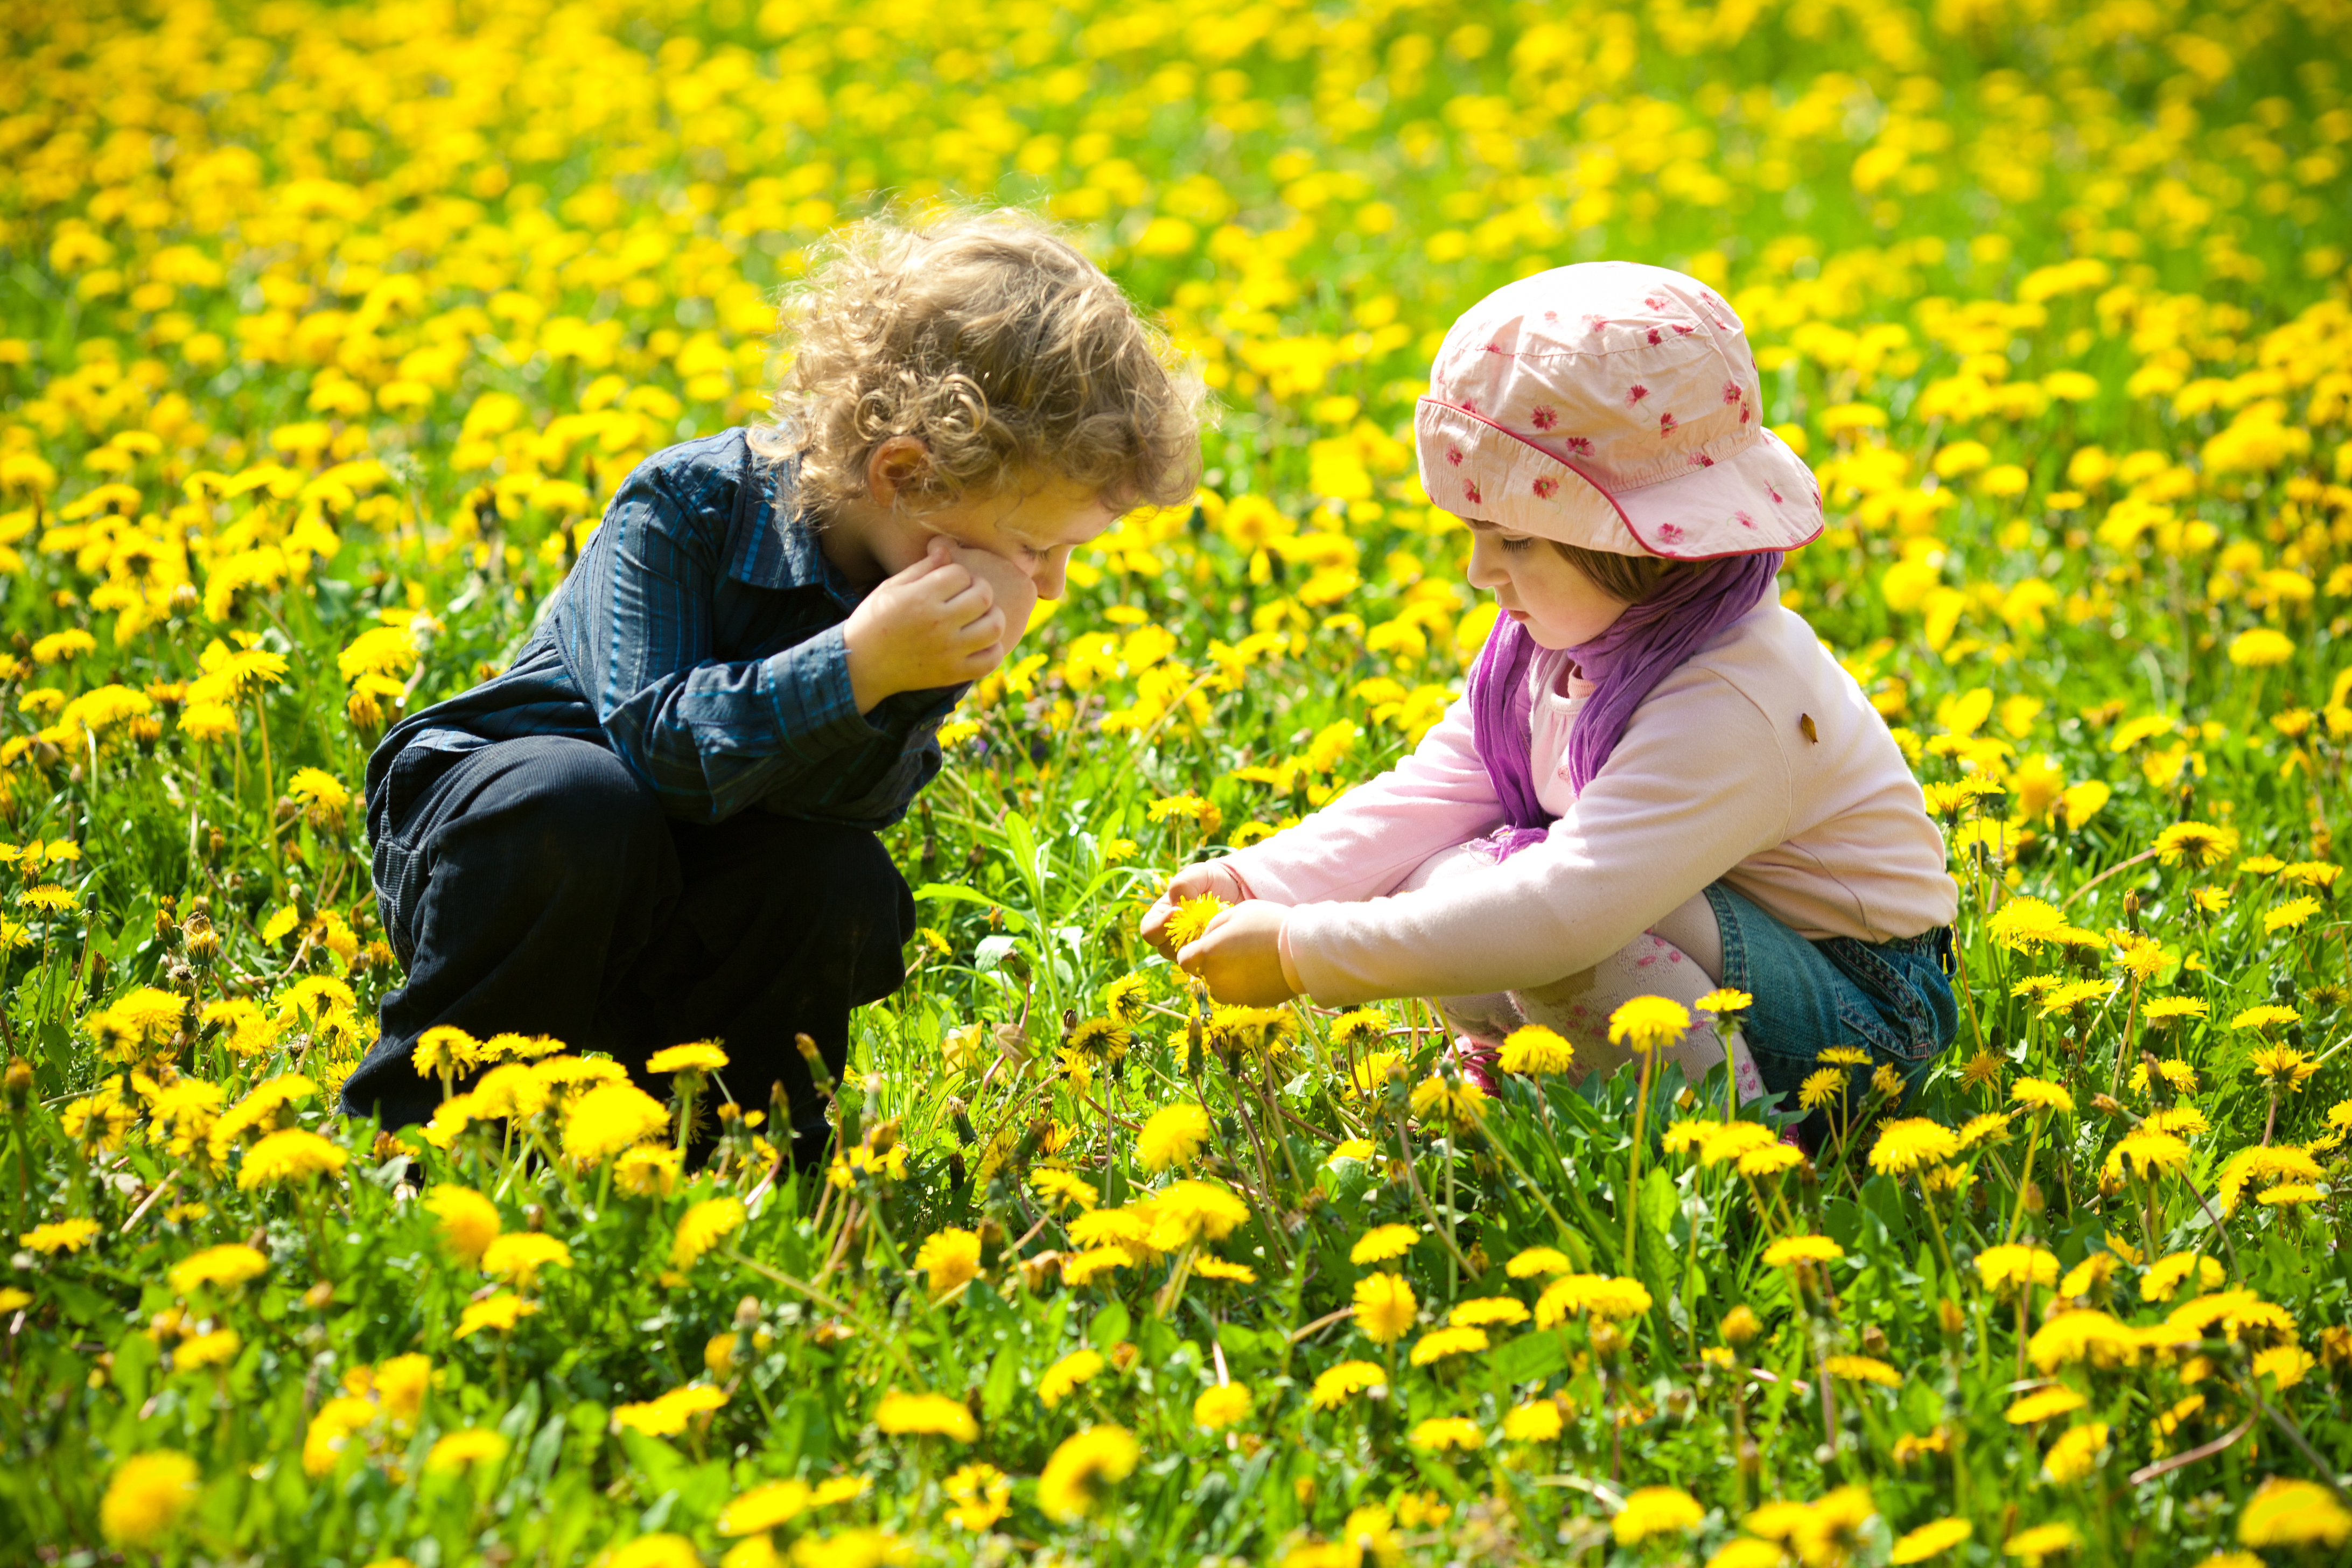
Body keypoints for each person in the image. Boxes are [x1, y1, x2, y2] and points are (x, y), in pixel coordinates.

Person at [344, 212, 1203, 1161]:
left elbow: (845, 811)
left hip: (689, 881)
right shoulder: (687, 506)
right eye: (1039, 547)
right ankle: (417, 1138)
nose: (1048, 587)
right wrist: (857, 666)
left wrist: (906, 686)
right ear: (906, 475)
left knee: (833, 881)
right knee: (584, 805)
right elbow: (659, 750)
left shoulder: (920, 600)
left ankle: (737, 1154)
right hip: (514, 848)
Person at [1145, 262, 1956, 1144]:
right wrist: (1256, 881)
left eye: (1516, 540)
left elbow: (1569, 911)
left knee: (1551, 925)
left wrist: (1304, 954)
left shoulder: (1732, 697)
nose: (1479, 572)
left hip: (1862, 1018)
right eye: (1474, 535)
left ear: (1646, 551)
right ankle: (1541, 1080)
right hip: (1723, 946)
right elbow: (1436, 794)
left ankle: (1727, 1153)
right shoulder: (1564, 642)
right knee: (1454, 871)